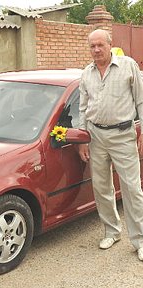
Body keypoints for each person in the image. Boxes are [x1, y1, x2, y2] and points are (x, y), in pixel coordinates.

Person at [78, 29, 143, 261]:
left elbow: (141, 100)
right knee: (101, 187)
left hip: (123, 134)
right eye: (92, 46)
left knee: (132, 189)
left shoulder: (128, 66)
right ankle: (111, 231)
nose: (96, 50)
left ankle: (140, 240)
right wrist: (83, 139)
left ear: (109, 44)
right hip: (95, 137)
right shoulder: (86, 73)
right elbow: (82, 109)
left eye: (100, 45)